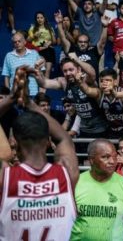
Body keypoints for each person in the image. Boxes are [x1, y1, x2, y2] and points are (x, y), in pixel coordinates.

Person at [0, 83, 79, 240]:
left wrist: (12, 97)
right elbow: (63, 137)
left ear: (14, 141)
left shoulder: (5, 178)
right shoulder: (66, 173)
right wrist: (30, 103)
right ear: (47, 141)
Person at [70, 139, 123, 240]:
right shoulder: (75, 183)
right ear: (91, 160)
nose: (112, 161)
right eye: (105, 157)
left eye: (114, 157)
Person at [32, 58, 109, 142]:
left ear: (78, 69)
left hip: (100, 128)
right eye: (65, 71)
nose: (68, 73)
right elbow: (44, 83)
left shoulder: (86, 79)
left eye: (71, 70)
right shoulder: (64, 82)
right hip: (84, 129)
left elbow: (92, 73)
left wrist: (77, 60)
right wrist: (37, 71)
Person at [77, 68, 123, 138]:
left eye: (108, 80)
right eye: (101, 81)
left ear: (115, 82)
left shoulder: (122, 94)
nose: (104, 83)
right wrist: (80, 82)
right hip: (109, 131)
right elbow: (87, 90)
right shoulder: (100, 94)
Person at [55, 9, 108, 77]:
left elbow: (102, 42)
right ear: (77, 43)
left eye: (85, 42)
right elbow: (63, 39)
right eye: (80, 42)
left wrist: (105, 26)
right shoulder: (72, 50)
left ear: (89, 43)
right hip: (76, 83)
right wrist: (59, 23)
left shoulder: (94, 51)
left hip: (91, 84)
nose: (83, 44)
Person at [2, 32, 44, 97]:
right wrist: (8, 94)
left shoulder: (34, 53)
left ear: (24, 42)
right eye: (15, 42)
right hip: (15, 94)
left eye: (19, 41)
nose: (17, 43)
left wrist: (41, 92)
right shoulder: (8, 56)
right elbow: (6, 76)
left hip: (33, 93)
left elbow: (41, 73)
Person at [28, 11, 57, 81]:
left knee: (48, 70)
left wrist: (50, 42)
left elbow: (54, 42)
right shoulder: (33, 28)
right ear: (36, 19)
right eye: (38, 18)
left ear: (44, 18)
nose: (39, 19)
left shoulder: (50, 28)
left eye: (41, 17)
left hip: (48, 50)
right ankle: (39, 86)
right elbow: (27, 40)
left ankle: (45, 88)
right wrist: (34, 36)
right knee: (39, 70)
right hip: (37, 50)